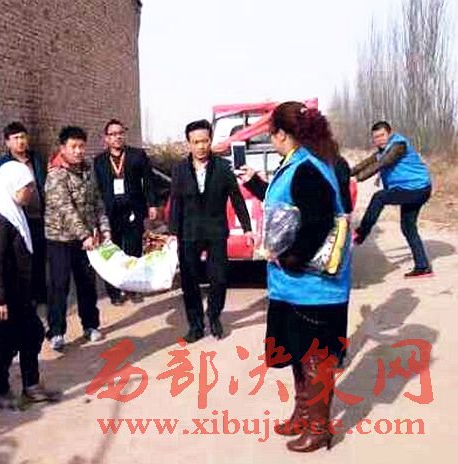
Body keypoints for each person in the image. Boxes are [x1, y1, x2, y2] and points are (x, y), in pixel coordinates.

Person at [236, 102, 352, 453]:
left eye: (271, 134)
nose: (271, 140)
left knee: (315, 359)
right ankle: (303, 415)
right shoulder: (297, 164)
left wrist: (291, 258)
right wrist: (256, 183)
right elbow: (288, 208)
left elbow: (317, 222)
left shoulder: (308, 168)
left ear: (282, 134)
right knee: (300, 355)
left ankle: (319, 428)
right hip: (292, 286)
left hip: (313, 288)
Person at [0, 161, 60, 409]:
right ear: (11, 185)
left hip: (17, 292)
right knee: (5, 342)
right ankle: (0, 392)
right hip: (2, 295)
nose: (31, 191)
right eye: (27, 187)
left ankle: (31, 385)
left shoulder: (13, 211)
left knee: (31, 334)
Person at [168, 119, 253, 343]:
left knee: (220, 278)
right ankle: (195, 325)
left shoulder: (223, 167)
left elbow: (236, 198)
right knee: (189, 281)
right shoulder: (179, 169)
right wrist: (172, 233)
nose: (201, 146)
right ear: (189, 143)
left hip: (216, 231)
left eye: (205, 141)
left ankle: (214, 316)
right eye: (196, 142)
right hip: (188, 233)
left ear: (210, 140)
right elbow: (175, 202)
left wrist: (247, 228)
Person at [44, 126, 111, 352]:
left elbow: (97, 201)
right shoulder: (56, 174)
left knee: (87, 284)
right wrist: (85, 235)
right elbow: (65, 209)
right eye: (73, 146)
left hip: (87, 240)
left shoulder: (88, 170)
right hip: (60, 239)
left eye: (81, 146)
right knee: (59, 285)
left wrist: (104, 229)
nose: (78, 151)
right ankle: (56, 331)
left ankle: (90, 325)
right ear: (62, 148)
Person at [351, 121, 432, 278]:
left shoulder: (398, 146)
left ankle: (361, 233)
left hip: (417, 188)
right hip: (413, 189)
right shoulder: (382, 151)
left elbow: (384, 163)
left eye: (382, 135)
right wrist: (344, 174)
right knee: (408, 227)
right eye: (376, 137)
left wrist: (357, 179)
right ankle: (423, 267)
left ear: (390, 133)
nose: (379, 139)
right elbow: (365, 164)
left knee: (379, 197)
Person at [94, 119, 159, 305]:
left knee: (133, 249)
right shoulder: (99, 161)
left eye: (120, 133)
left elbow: (149, 181)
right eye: (113, 134)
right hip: (110, 212)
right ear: (106, 138)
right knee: (112, 251)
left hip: (133, 209)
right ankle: (114, 292)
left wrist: (152, 204)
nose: (117, 137)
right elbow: (97, 189)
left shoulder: (137, 155)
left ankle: (133, 289)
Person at [0, 122, 48, 304]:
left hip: (37, 216)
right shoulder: (1, 165)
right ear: (7, 142)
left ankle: (40, 293)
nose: (20, 141)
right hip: (16, 218)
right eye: (15, 138)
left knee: (39, 255)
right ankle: (24, 295)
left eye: (23, 137)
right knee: (20, 258)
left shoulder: (37, 160)